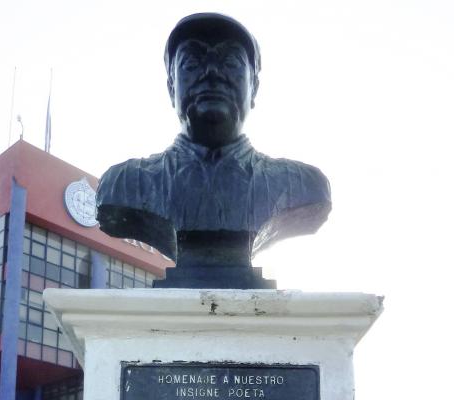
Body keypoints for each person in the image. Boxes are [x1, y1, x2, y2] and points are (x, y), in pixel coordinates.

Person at [96, 13, 331, 287]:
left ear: (254, 87)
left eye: (229, 62)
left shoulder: (301, 184)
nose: (211, 73)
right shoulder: (124, 184)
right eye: (192, 63)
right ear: (171, 87)